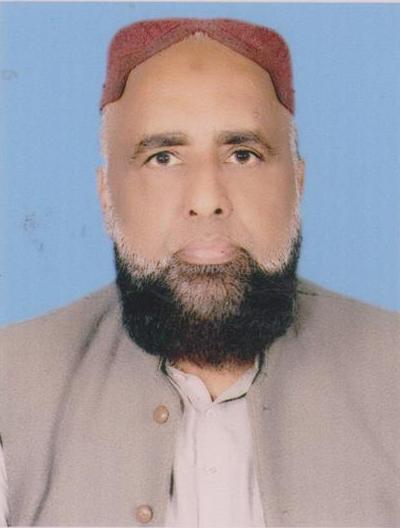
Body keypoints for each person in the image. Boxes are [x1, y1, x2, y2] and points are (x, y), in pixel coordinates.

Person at [0, 17, 399, 527]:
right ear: (106, 197)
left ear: (297, 184)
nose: (207, 199)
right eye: (163, 157)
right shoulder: (12, 384)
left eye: (243, 155)